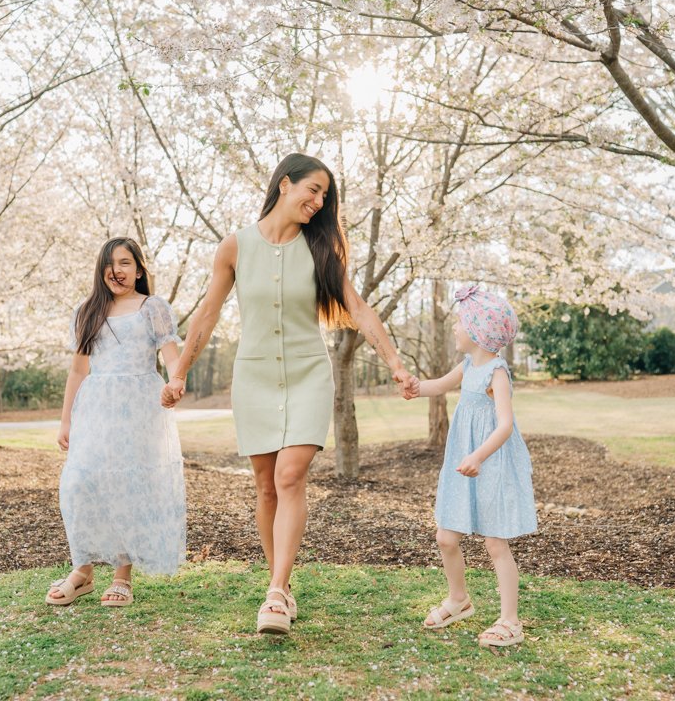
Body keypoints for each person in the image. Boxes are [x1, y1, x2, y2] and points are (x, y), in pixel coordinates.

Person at [161, 153, 415, 634]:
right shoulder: (235, 246)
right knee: (264, 486)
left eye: (325, 196)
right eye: (313, 190)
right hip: (253, 377)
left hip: (308, 376)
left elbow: (357, 309)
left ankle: (275, 593)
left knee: (291, 476)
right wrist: (179, 374)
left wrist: (396, 365)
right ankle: (283, 585)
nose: (319, 203)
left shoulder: (322, 251)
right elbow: (208, 315)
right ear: (284, 184)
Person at [46, 237, 185, 608]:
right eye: (110, 263)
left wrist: (175, 380)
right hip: (95, 408)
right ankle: (82, 570)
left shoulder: (151, 307)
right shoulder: (87, 311)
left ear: (139, 270)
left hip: (139, 408)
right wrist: (66, 421)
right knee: (79, 483)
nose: (116, 270)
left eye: (125, 263)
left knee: (127, 485)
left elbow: (171, 354)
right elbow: (78, 370)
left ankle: (122, 576)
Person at [405, 284, 537, 648]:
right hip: (462, 461)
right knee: (446, 536)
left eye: (460, 323)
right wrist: (416, 387)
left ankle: (511, 620)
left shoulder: (496, 373)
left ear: (478, 331)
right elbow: (439, 386)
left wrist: (479, 456)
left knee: (495, 543)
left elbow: (506, 424)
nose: (455, 328)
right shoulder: (466, 366)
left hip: (489, 463)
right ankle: (458, 599)